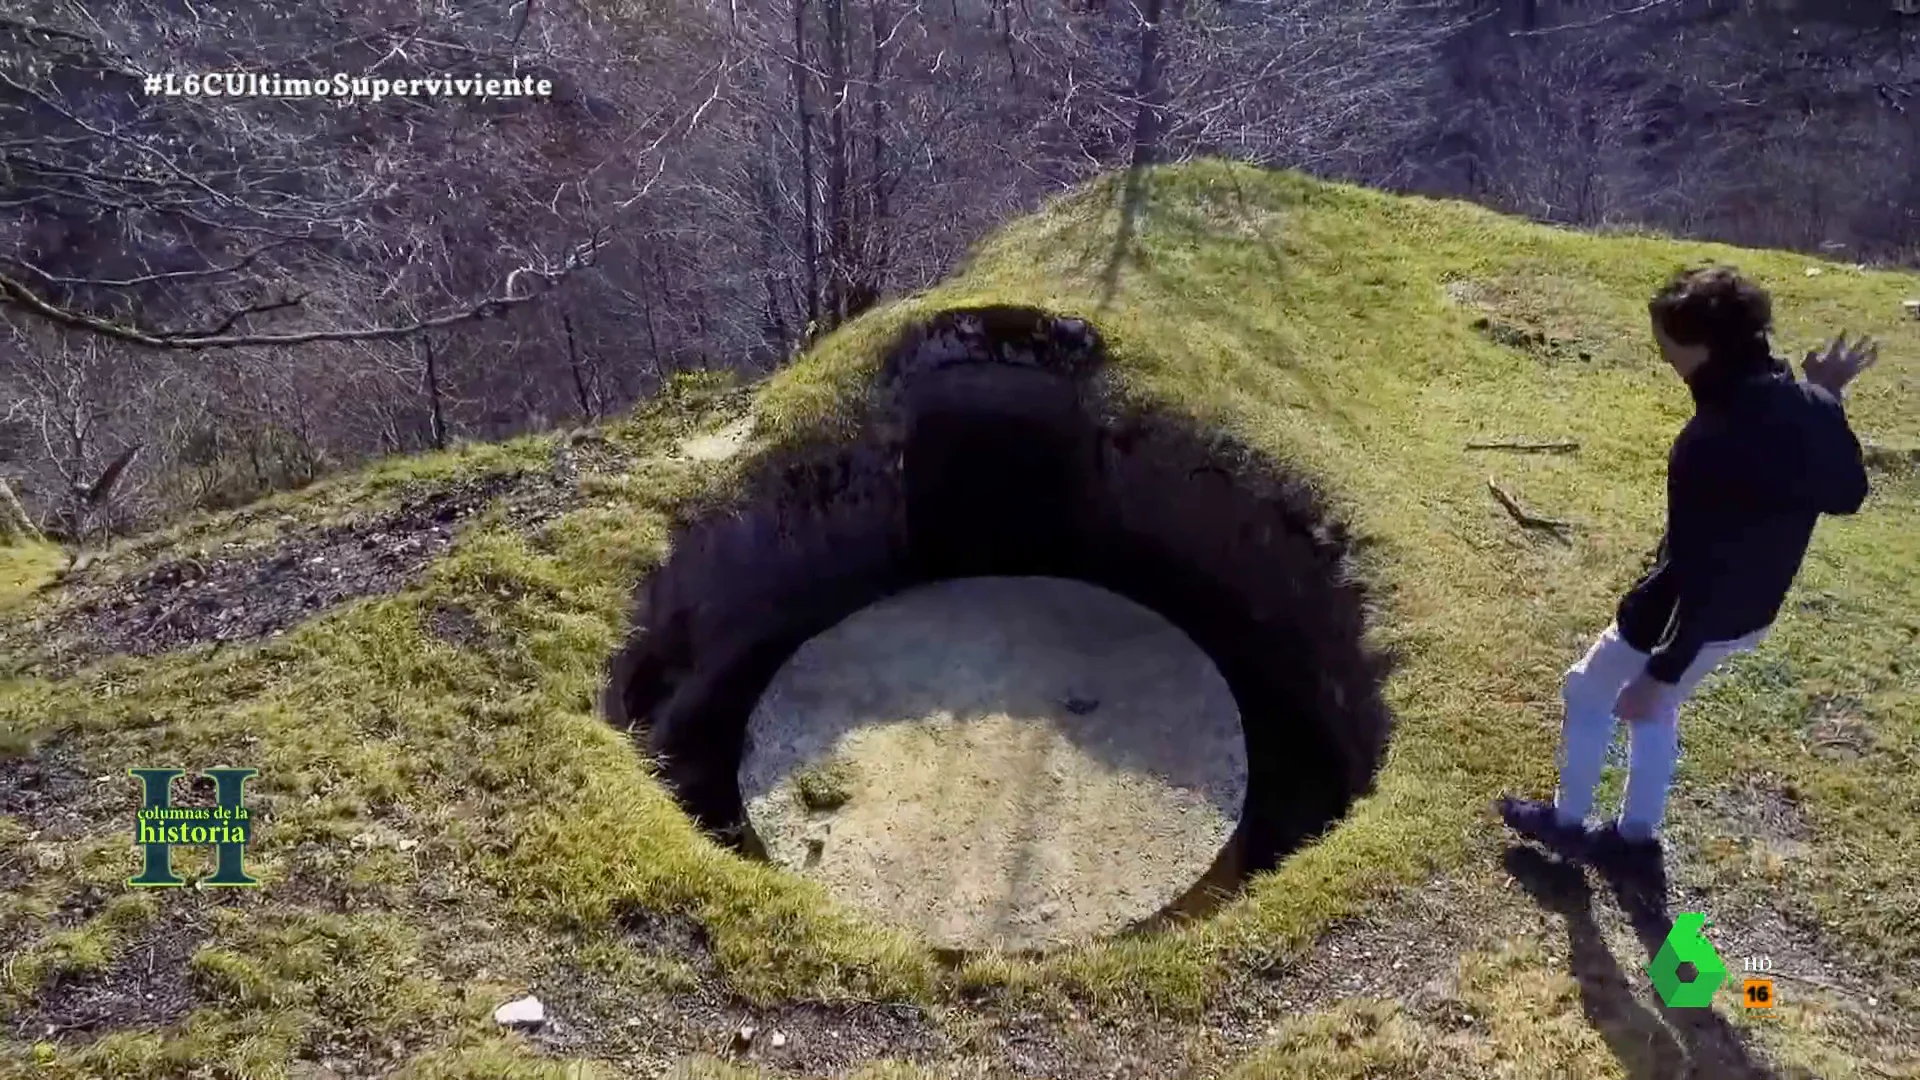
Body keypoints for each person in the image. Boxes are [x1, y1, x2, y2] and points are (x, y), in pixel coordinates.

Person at [1499, 265, 1877, 891]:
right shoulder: (1804, 405)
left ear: (1700, 348)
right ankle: (1635, 842)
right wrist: (1828, 399)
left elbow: (1698, 568)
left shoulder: (1707, 442)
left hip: (1691, 613)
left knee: (1592, 690)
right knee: (1656, 711)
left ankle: (1568, 825)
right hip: (1749, 614)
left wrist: (1664, 666)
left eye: (1665, 339)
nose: (1661, 350)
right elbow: (1849, 492)